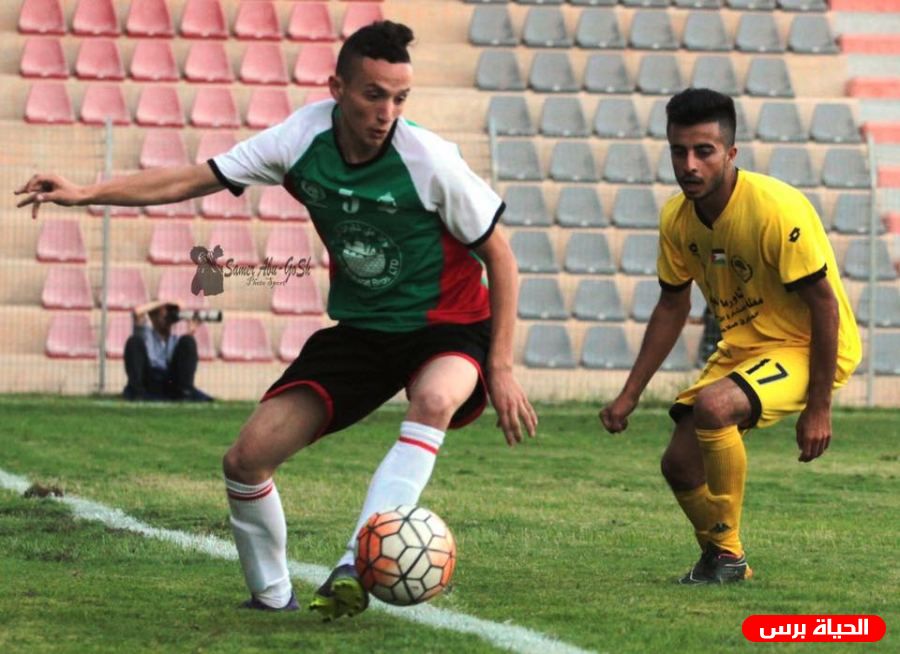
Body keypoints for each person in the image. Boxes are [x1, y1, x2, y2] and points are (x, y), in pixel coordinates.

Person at [16, 21, 536, 617]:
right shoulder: (299, 140)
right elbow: (192, 178)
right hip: (363, 332)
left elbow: (500, 256)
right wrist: (86, 192)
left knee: (436, 399)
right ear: (337, 88)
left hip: (449, 324)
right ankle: (271, 599)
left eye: (399, 98)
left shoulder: (430, 160)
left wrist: (499, 367)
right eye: (374, 95)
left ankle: (354, 563)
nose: (387, 113)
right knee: (245, 460)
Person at [600, 88, 861, 584]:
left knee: (715, 407)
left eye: (704, 151)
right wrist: (629, 394)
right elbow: (672, 306)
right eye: (679, 151)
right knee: (679, 465)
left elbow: (825, 306)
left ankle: (725, 555)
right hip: (746, 349)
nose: (689, 165)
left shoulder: (774, 209)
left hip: (807, 347)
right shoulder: (676, 219)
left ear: (731, 153)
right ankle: (726, 556)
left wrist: (819, 407)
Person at [123, 300, 213, 402]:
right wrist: (164, 302)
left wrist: (190, 331)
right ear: (153, 318)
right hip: (149, 378)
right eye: (162, 314)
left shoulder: (175, 339)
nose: (166, 316)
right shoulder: (146, 334)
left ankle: (185, 393)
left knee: (188, 341)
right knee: (134, 341)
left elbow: (183, 362)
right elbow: (137, 312)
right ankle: (137, 393)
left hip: (170, 381)